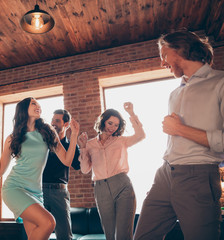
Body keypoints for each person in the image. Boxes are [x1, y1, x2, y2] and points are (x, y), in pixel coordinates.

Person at [134, 30, 224, 240]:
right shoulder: (175, 93)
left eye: (164, 55)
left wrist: (180, 129)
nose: (162, 62)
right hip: (165, 174)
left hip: (198, 176)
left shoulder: (219, 82)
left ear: (180, 49)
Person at [0, 97, 80, 240]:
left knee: (36, 235)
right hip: (15, 188)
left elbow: (67, 161)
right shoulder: (13, 137)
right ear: (24, 109)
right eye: (33, 103)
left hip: (36, 193)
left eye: (39, 104)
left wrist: (74, 135)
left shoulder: (47, 131)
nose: (38, 106)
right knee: (49, 222)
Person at [78, 102, 145, 240]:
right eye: (110, 123)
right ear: (102, 121)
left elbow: (140, 135)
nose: (113, 128)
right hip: (101, 189)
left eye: (116, 125)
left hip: (122, 186)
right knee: (109, 234)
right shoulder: (90, 144)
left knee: (123, 235)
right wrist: (83, 147)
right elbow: (85, 170)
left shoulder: (121, 141)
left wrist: (131, 113)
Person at [42, 109, 80, 240]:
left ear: (66, 124)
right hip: (39, 191)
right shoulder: (44, 143)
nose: (53, 124)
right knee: (39, 232)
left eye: (57, 121)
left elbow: (77, 165)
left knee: (64, 235)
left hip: (59, 193)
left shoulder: (71, 145)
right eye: (52, 121)